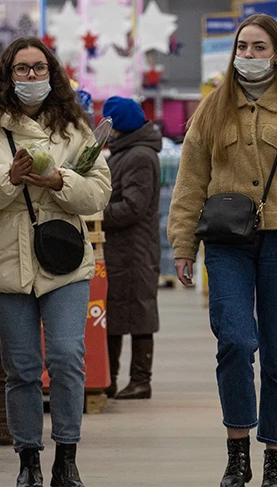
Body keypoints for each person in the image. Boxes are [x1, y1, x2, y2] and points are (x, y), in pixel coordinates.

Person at [168, 14, 277, 487]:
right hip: (227, 242)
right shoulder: (212, 110)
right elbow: (189, 184)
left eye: (258, 47)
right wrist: (182, 245)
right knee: (235, 340)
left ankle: (275, 460)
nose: (247, 56)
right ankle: (236, 452)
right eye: (242, 47)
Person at [0, 37, 112, 487]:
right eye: (21, 69)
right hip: (4, 264)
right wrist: (10, 177)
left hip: (64, 261)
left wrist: (60, 179)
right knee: (21, 367)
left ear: (52, 74)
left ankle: (67, 456)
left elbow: (99, 192)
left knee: (66, 357)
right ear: (7, 77)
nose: (30, 77)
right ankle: (28, 460)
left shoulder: (74, 129)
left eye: (38, 69)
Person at [100, 96, 163, 400]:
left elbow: (134, 207)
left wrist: (98, 214)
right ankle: (108, 378)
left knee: (139, 312)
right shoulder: (126, 153)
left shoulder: (138, 156)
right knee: (115, 312)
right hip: (122, 247)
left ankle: (141, 380)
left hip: (135, 248)